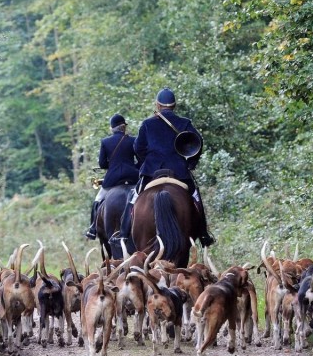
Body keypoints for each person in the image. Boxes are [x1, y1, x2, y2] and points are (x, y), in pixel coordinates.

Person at [115, 87, 215, 247]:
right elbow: (198, 143)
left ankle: (124, 233)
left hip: (152, 171)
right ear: (174, 105)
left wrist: (146, 162)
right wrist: (190, 163)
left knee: (133, 197)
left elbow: (138, 148)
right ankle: (203, 234)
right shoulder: (185, 123)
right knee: (196, 196)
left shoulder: (147, 124)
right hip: (179, 172)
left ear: (157, 105)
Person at [85, 113, 139, 240]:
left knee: (98, 200)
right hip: (133, 177)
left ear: (112, 128)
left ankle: (92, 228)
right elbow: (141, 159)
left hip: (113, 179)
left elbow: (102, 164)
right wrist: (133, 167)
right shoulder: (133, 140)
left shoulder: (105, 142)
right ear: (124, 127)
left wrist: (114, 164)